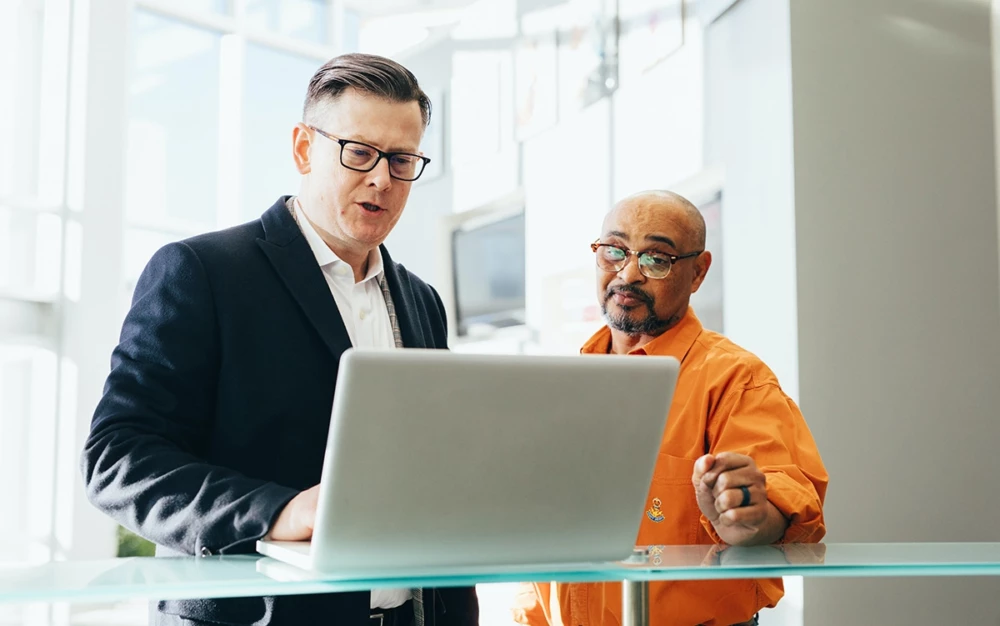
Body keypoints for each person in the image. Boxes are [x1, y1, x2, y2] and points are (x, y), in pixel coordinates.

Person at [81, 53, 479, 626]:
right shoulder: (201, 272)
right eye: (359, 152)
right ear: (302, 149)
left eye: (401, 159)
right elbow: (117, 458)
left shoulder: (421, 300)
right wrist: (278, 512)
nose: (381, 180)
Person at [512, 190, 828, 626]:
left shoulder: (736, 379)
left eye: (656, 259)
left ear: (698, 272)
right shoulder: (568, 382)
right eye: (613, 252)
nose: (627, 274)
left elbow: (781, 502)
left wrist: (748, 517)